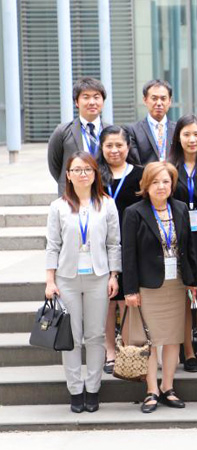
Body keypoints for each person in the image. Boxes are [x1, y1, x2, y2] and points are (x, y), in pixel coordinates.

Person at [45, 152, 121, 413]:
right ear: (68, 175)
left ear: (95, 174)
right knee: (72, 338)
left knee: (96, 336)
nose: (82, 174)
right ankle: (75, 390)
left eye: (87, 170)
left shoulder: (107, 204)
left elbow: (113, 244)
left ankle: (93, 389)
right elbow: (52, 246)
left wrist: (114, 275)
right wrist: (49, 280)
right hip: (67, 278)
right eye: (77, 170)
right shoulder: (58, 207)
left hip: (98, 277)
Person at [122, 162, 197, 413]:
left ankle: (168, 387)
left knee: (173, 337)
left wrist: (192, 280)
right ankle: (151, 389)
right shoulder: (134, 212)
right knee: (152, 340)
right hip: (148, 285)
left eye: (166, 181)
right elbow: (129, 254)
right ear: (146, 184)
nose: (161, 186)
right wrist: (130, 290)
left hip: (176, 283)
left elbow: (189, 248)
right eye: (155, 182)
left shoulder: (179, 208)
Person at [168, 115, 197, 373]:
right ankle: (187, 352)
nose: (192, 139)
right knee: (185, 295)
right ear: (178, 137)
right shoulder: (169, 168)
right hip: (179, 239)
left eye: (196, 134)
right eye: (186, 134)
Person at [95, 126, 143, 375]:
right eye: (109, 146)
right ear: (101, 148)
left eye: (119, 145)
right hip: (100, 246)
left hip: (132, 246)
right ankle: (109, 351)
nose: (114, 150)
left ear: (128, 147)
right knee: (107, 302)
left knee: (126, 299)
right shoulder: (94, 174)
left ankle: (127, 349)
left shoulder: (140, 175)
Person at [48, 77, 110, 195]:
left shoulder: (111, 132)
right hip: (72, 195)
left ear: (102, 101)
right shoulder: (62, 131)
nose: (92, 102)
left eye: (96, 97)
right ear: (76, 102)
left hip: (103, 193)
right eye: (86, 97)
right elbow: (55, 166)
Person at [127, 79, 175, 164]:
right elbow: (134, 163)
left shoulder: (178, 129)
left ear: (169, 101)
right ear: (145, 100)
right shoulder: (132, 131)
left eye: (163, 99)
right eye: (154, 98)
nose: (159, 103)